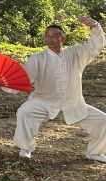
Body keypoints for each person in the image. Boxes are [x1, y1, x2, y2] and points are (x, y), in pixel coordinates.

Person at [14, 15, 106, 161]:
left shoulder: (75, 53)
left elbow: (95, 46)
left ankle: (95, 152)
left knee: (103, 121)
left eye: (55, 35)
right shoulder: (38, 58)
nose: (50, 39)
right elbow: (23, 78)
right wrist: (3, 83)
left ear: (63, 38)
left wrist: (95, 26)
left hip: (73, 102)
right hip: (44, 101)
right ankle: (25, 148)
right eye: (47, 35)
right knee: (24, 112)